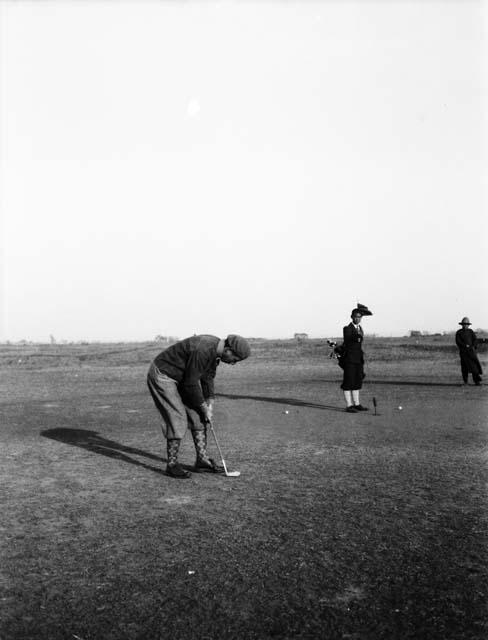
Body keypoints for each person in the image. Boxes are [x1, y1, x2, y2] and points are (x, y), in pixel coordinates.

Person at [147, 334, 251, 479]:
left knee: (199, 416)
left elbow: (207, 377)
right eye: (235, 360)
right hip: (164, 375)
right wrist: (203, 406)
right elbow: (191, 383)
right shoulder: (203, 349)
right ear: (228, 350)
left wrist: (209, 403)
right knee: (177, 416)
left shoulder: (215, 352)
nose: (233, 363)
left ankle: (202, 460)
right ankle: (171, 465)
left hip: (182, 377)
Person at [340, 303, 373, 413]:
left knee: (357, 381)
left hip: (358, 359)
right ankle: (349, 405)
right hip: (349, 359)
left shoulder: (360, 328)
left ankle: (357, 404)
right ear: (352, 317)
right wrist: (358, 336)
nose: (358, 319)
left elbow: (358, 341)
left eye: (360, 317)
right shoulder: (347, 328)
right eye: (356, 317)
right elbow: (350, 339)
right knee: (348, 381)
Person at [455, 317, 482, 386]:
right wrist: (465, 346)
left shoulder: (471, 332)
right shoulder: (459, 332)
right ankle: (465, 382)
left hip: (471, 352)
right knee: (464, 368)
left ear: (468, 325)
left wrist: (473, 346)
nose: (465, 325)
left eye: (466, 324)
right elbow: (458, 342)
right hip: (463, 353)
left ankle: (477, 381)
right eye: (464, 324)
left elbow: (475, 340)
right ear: (462, 325)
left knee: (474, 367)